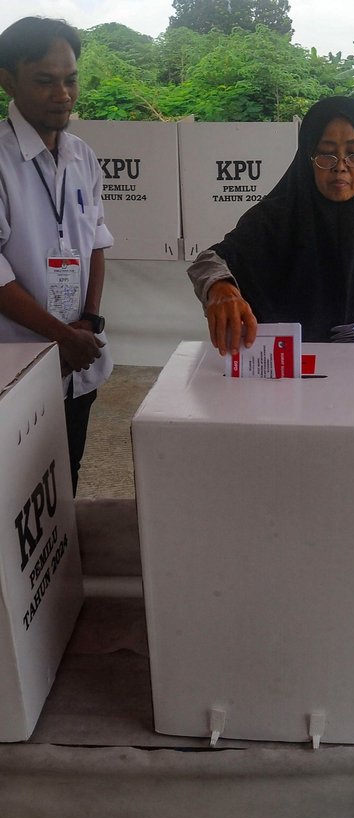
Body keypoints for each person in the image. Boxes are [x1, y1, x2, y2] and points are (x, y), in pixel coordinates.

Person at [188, 96, 354, 364]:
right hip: (281, 377)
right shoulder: (276, 216)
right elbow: (208, 261)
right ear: (308, 157)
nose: (340, 165)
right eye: (327, 153)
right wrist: (221, 289)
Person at [0, 17, 113, 495]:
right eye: (44, 81)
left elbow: (94, 243)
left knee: (64, 482)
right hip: (15, 368)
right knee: (16, 495)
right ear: (8, 80)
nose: (62, 93)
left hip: (76, 364)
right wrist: (60, 336)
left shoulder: (83, 156)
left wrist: (87, 321)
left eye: (70, 79)